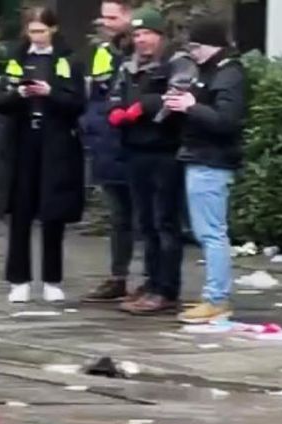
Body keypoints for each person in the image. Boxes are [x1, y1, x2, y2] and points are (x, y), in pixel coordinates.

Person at [0, 6, 86, 304]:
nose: (37, 37)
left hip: (55, 144)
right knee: (20, 211)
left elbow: (77, 102)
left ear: (53, 30)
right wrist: (18, 94)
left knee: (52, 212)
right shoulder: (17, 58)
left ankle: (52, 279)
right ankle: (18, 280)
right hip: (22, 142)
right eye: (32, 31)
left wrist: (50, 93)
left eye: (42, 31)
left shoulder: (68, 60)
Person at [164, 15, 246, 324]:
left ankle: (216, 299)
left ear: (213, 45)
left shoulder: (229, 74)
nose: (192, 52)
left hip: (212, 161)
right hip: (201, 158)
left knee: (211, 233)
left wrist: (190, 106)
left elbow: (226, 121)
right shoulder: (211, 72)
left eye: (196, 46)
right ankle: (214, 296)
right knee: (206, 231)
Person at [110, 7, 185, 315]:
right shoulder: (128, 67)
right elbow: (114, 96)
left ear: (160, 36)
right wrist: (115, 111)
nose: (141, 41)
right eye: (137, 35)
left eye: (147, 34)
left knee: (164, 222)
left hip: (165, 151)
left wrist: (144, 105)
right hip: (135, 150)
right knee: (145, 224)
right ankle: (151, 282)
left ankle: (166, 288)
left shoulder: (173, 64)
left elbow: (174, 97)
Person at [82, 0, 140, 303]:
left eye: (112, 17)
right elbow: (97, 97)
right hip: (107, 145)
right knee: (118, 217)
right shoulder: (104, 52)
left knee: (146, 218)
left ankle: (151, 281)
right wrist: (90, 126)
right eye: (103, 17)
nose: (105, 22)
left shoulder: (141, 52)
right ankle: (118, 277)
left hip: (133, 145)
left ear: (130, 17)